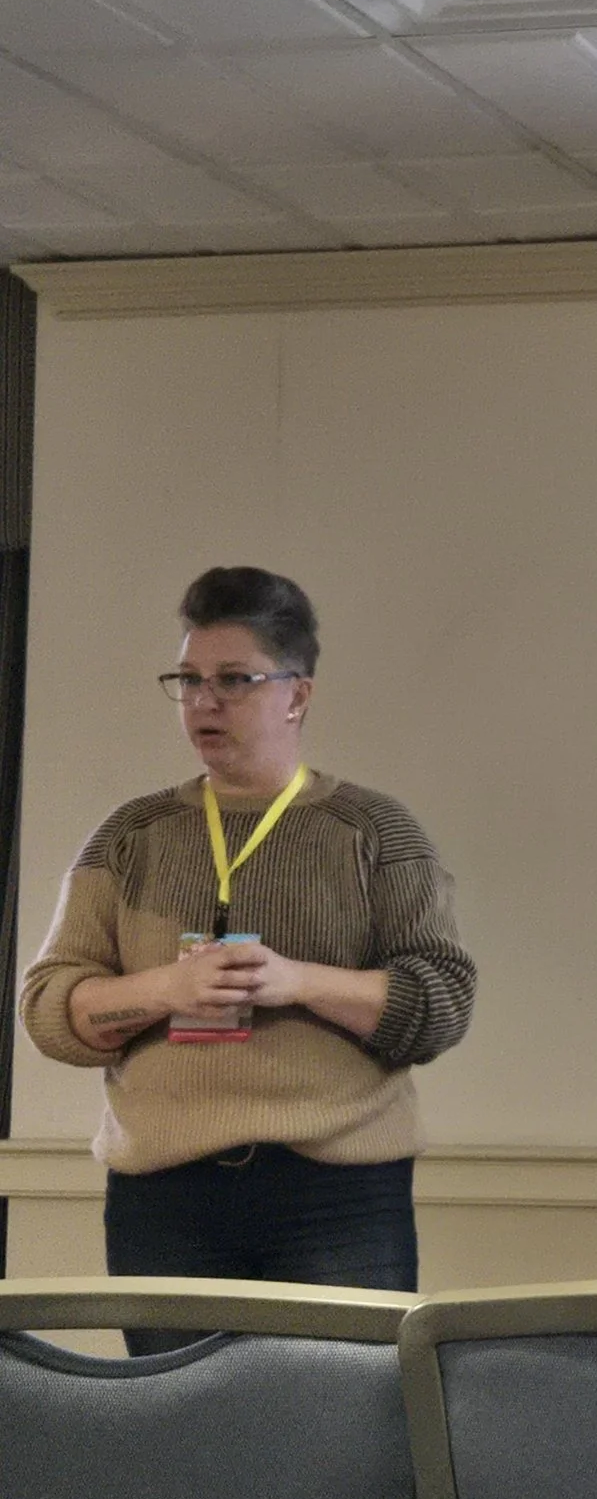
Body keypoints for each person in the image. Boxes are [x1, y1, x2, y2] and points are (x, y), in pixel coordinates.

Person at [20, 568, 475, 1329]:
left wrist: (296, 981)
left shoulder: (376, 831)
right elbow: (46, 1010)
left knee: (341, 1401)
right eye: (188, 680)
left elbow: (442, 1002)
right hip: (164, 1195)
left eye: (234, 679)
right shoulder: (129, 836)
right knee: (180, 1403)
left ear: (297, 695)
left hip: (338, 1194)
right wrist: (166, 990)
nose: (204, 701)